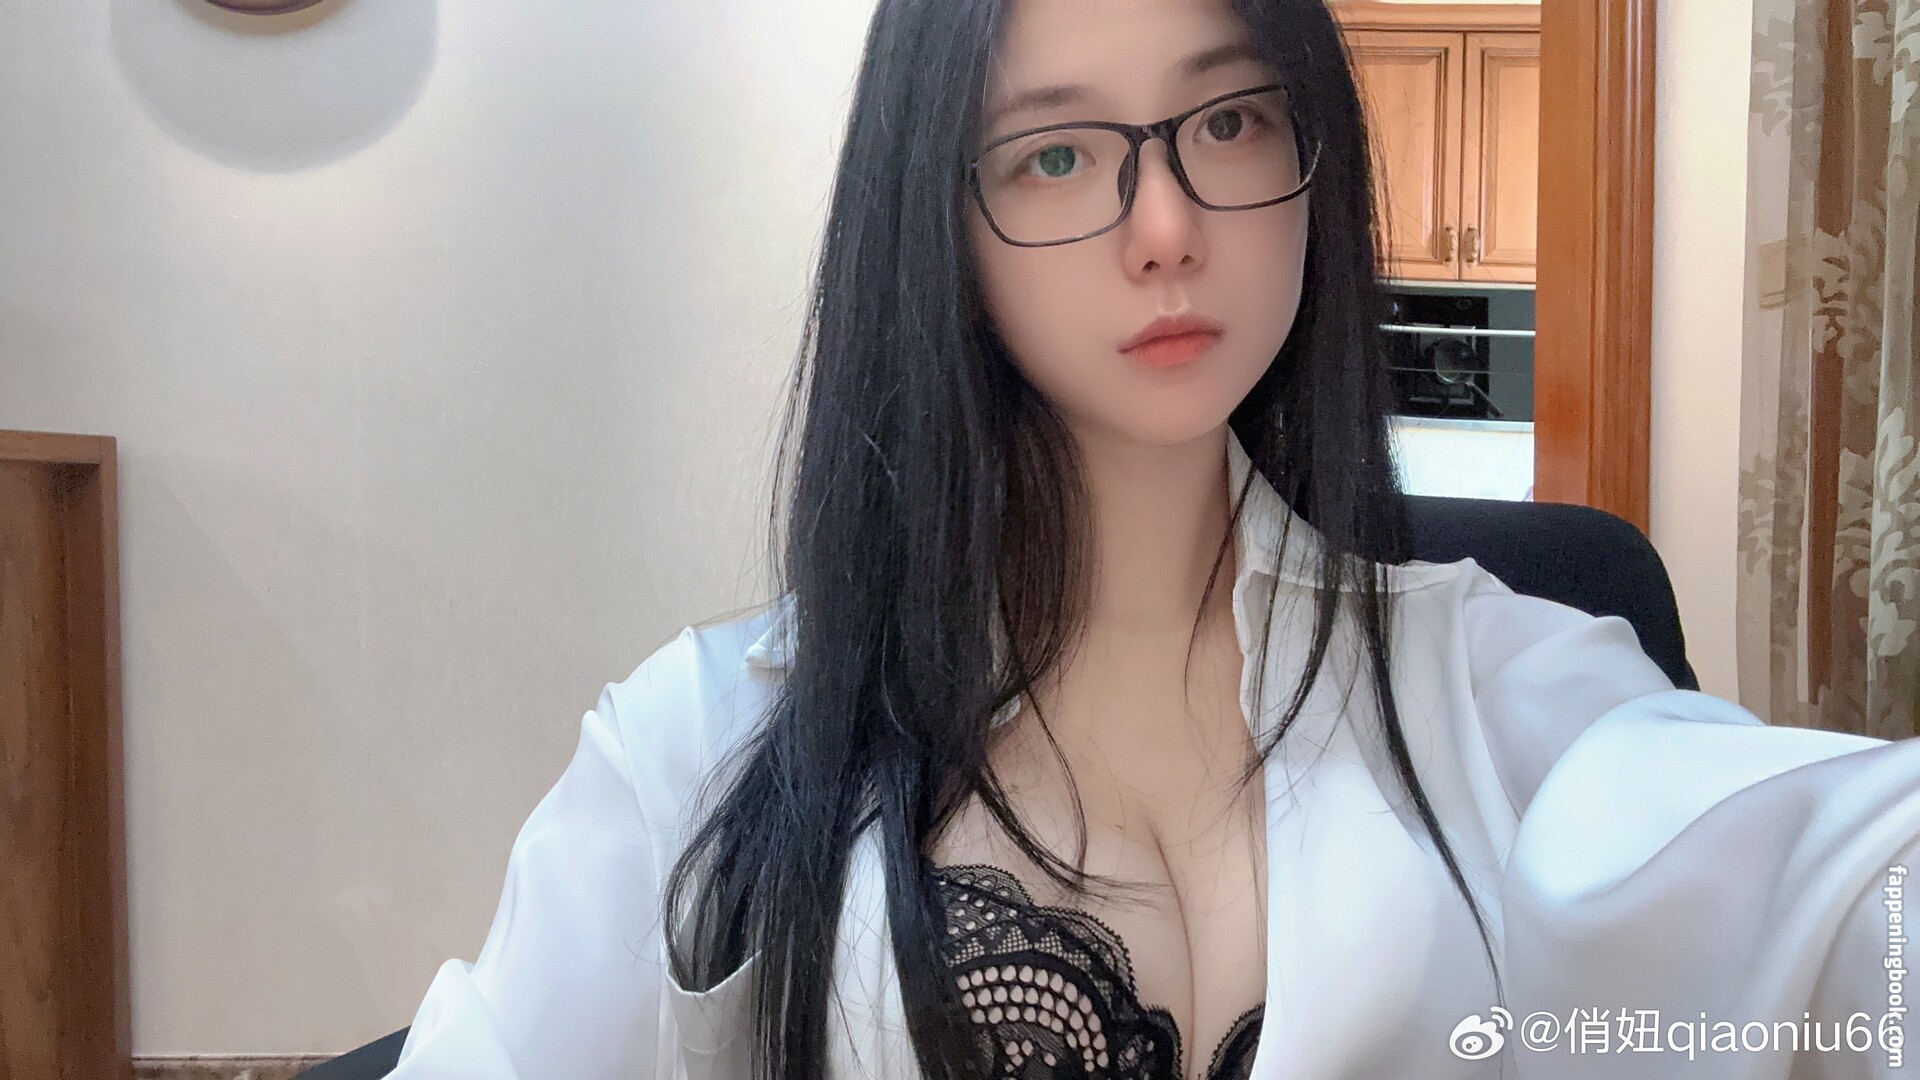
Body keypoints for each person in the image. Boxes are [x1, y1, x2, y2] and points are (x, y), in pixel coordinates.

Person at [382, 0, 1920, 1077]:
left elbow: (1847, 891)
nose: (1169, 225)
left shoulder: (1503, 679)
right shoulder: (704, 747)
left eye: (1229, 121)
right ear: (937, 224)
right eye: (1055, 153)